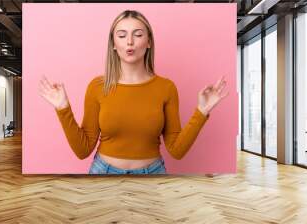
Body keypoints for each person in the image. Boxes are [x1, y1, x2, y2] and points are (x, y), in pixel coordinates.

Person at [38, 10, 228, 175]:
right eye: (121, 35)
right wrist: (63, 108)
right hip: (103, 174)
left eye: (137, 34)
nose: (129, 41)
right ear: (113, 43)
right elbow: (83, 150)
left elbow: (177, 151)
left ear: (148, 42)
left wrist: (202, 111)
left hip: (153, 175)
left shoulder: (166, 88)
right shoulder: (97, 86)